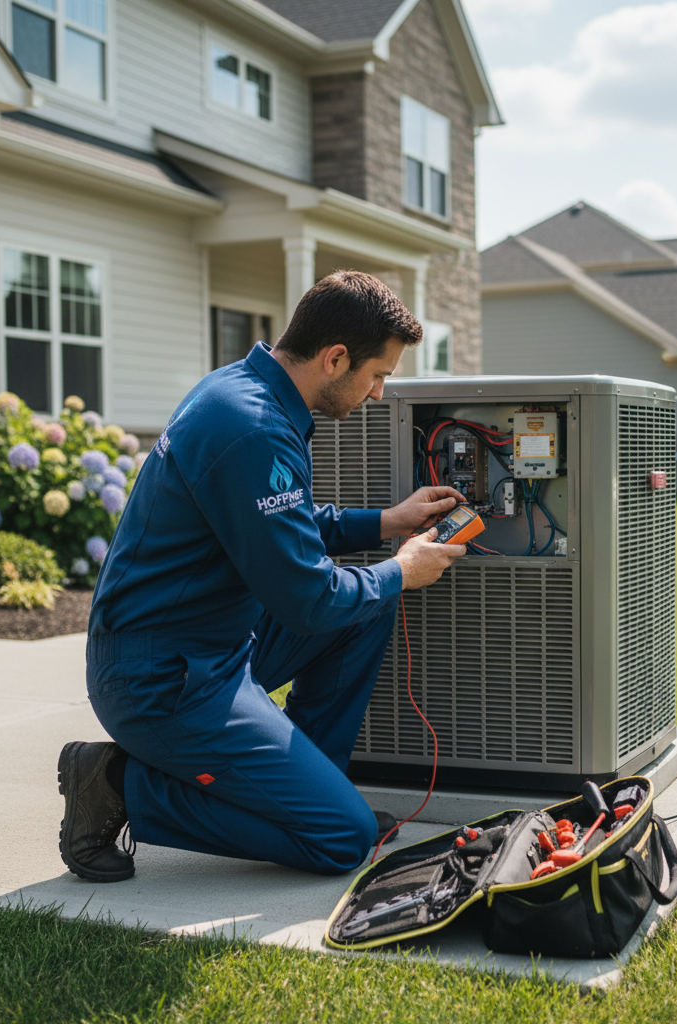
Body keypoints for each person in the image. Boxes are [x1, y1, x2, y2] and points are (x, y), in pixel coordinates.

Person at [58, 271, 466, 882]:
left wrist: (388, 521)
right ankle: (116, 783)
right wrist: (401, 571)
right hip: (161, 681)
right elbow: (308, 600)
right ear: (335, 359)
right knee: (340, 838)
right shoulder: (252, 427)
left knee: (370, 604)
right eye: (377, 375)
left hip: (213, 645)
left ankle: (305, 785)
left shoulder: (245, 389)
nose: (379, 393)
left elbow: (279, 525)